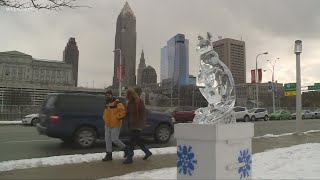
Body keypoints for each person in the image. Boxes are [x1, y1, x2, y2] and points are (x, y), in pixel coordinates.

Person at [123, 87, 152, 164]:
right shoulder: (129, 103)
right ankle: (147, 152)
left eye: (132, 93)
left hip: (137, 125)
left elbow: (143, 113)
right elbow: (127, 113)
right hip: (131, 124)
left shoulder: (140, 102)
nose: (130, 95)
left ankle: (129, 158)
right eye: (129, 94)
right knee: (138, 141)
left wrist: (140, 123)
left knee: (132, 141)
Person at [102, 90, 129, 161]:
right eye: (106, 95)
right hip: (107, 124)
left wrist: (117, 117)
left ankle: (126, 148)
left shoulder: (117, 102)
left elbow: (123, 111)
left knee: (114, 139)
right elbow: (105, 113)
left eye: (109, 95)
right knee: (107, 140)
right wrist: (104, 118)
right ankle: (109, 155)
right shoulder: (107, 104)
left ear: (112, 95)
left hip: (115, 124)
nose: (108, 96)